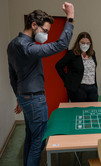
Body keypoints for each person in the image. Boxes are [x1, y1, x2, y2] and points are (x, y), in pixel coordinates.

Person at [7, 2, 74, 166]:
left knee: (30, 137)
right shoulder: (27, 47)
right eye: (45, 31)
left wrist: (19, 97)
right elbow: (61, 44)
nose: (46, 35)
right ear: (34, 24)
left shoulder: (12, 45)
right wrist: (70, 18)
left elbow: (12, 76)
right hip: (35, 100)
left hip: (25, 97)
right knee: (38, 143)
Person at [55, 32, 98, 102]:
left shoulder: (92, 53)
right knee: (78, 111)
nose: (85, 45)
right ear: (78, 43)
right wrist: (68, 81)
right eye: (83, 43)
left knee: (92, 110)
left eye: (87, 43)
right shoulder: (72, 53)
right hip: (79, 88)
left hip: (92, 88)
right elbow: (58, 66)